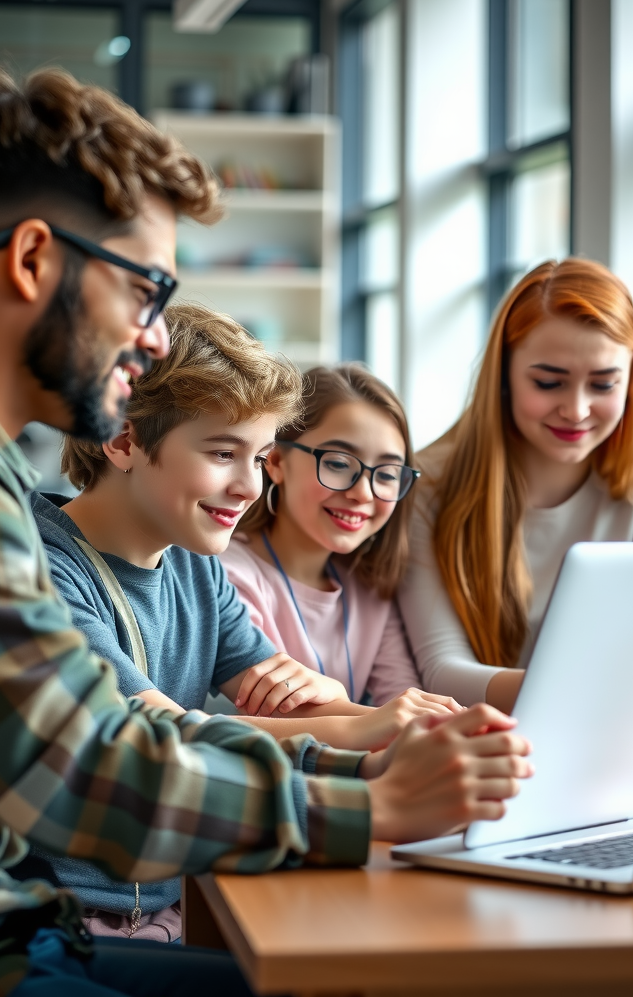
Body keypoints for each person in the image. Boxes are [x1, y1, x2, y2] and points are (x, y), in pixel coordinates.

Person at [0, 67, 531, 997]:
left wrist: (365, 759)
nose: (152, 337)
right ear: (32, 261)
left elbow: (105, 731)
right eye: (145, 290)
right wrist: (369, 800)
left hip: (25, 933)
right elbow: (82, 766)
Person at [28, 305, 461, 942]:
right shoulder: (46, 570)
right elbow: (153, 729)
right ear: (121, 440)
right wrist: (368, 725)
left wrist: (408, 724)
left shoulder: (195, 563)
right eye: (223, 452)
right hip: (57, 926)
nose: (249, 486)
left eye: (258, 457)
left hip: (161, 919)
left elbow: (293, 705)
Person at [398, 257, 633, 713]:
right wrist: (581, 693)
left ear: (632, 383)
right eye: (549, 382)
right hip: (482, 745)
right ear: (506, 376)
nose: (576, 410)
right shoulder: (428, 485)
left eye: (603, 384)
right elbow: (441, 670)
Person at [223, 363, 444, 714]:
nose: (363, 494)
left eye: (386, 474)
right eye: (339, 464)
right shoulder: (227, 576)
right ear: (277, 462)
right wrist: (348, 699)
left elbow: (401, 697)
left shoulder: (368, 588)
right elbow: (275, 710)